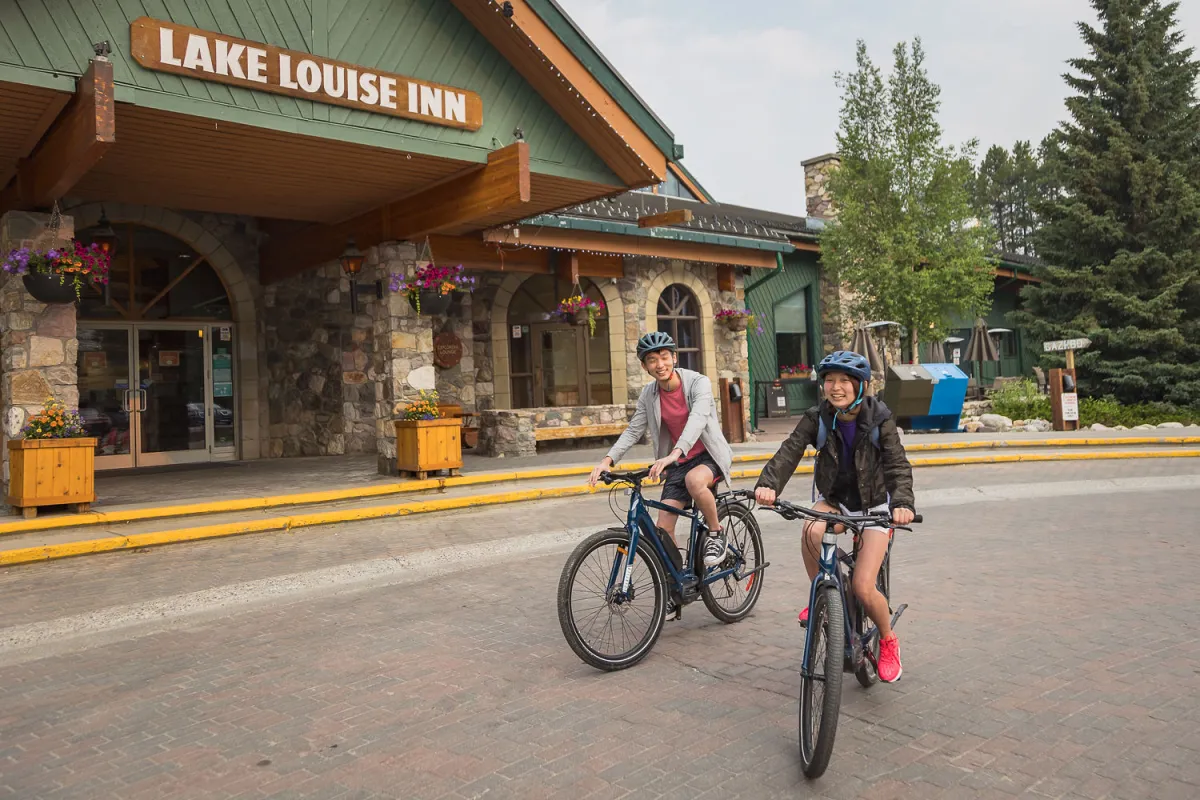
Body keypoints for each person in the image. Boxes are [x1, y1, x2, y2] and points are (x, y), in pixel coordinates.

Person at [753, 350, 916, 683]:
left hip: (875, 507)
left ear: (860, 385)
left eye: (844, 381)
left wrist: (902, 503)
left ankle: (888, 640)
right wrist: (768, 485)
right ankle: (820, 595)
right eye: (830, 380)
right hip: (836, 500)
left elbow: (897, 465)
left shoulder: (880, 417)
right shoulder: (818, 417)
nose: (836, 387)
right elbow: (790, 449)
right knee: (812, 528)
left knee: (863, 586)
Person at [589, 331, 735, 575]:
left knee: (694, 480)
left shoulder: (698, 382)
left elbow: (698, 419)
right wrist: (607, 461)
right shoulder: (649, 393)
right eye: (652, 360)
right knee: (663, 527)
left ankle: (716, 533)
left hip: (707, 455)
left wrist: (673, 454)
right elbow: (634, 430)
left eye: (664, 357)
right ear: (645, 367)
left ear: (674, 358)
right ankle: (676, 583)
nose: (660, 365)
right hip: (679, 461)